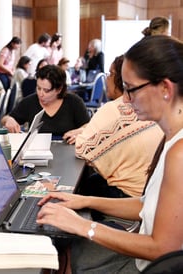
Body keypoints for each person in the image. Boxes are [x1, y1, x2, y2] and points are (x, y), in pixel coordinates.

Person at [36, 35, 183, 273]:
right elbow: (147, 206)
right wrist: (84, 201)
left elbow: (163, 249)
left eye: (131, 89)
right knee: (69, 247)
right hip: (150, 260)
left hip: (151, 266)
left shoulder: (179, 151)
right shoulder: (171, 137)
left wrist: (84, 227)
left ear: (165, 88)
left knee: (69, 252)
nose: (125, 98)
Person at [72, 55, 163, 202]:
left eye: (110, 74)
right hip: (155, 194)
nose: (107, 79)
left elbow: (83, 150)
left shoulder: (114, 108)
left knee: (85, 184)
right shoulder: (152, 107)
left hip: (132, 196)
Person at [1, 65, 90, 140]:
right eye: (38, 88)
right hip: (37, 151)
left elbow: (88, 126)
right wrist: (9, 120)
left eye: (46, 91)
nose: (41, 94)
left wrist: (80, 131)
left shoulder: (74, 102)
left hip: (68, 149)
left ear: (59, 89)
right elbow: (5, 118)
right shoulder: (30, 102)